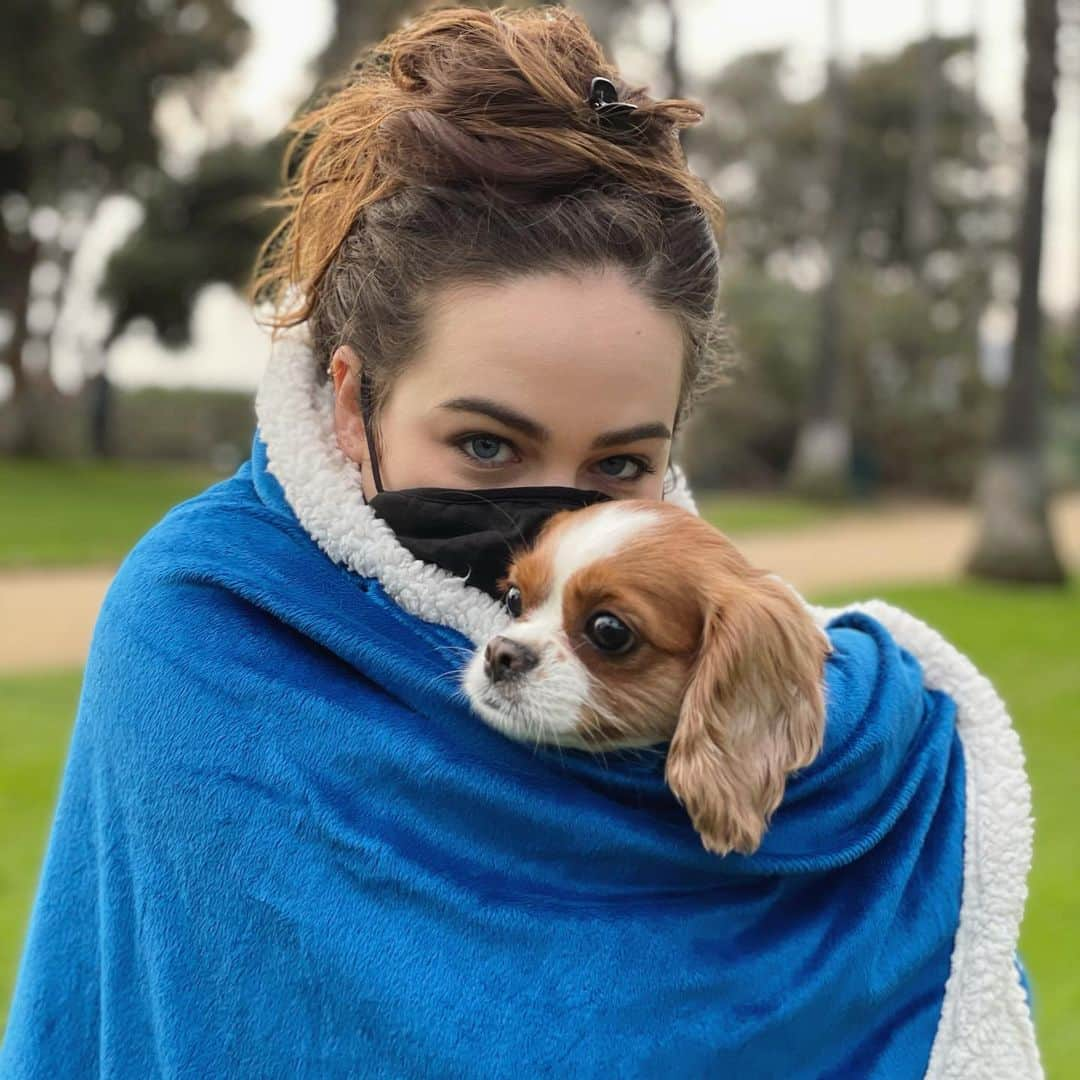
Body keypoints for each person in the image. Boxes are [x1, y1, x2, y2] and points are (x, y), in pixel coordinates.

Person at [1, 6, 1041, 1077]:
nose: (553, 506)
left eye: (621, 464)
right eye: (489, 446)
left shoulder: (868, 742)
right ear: (353, 405)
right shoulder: (211, 625)